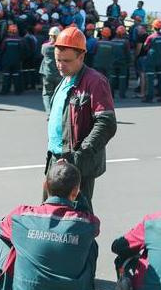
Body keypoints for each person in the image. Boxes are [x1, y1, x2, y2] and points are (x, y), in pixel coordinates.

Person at [0, 162, 99, 290]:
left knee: (0, 240)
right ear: (76, 191)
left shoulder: (21, 216)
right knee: (91, 245)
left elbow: (0, 228)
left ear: (45, 186)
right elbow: (90, 219)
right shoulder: (87, 223)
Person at [46, 27, 117, 213]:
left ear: (82, 57)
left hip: (77, 163)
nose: (61, 65)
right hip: (56, 160)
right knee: (50, 216)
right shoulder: (65, 79)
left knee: (78, 220)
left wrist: (80, 156)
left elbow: (106, 123)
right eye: (58, 60)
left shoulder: (95, 81)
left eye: (66, 61)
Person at [142, 20, 161, 103]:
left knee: (150, 78)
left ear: (154, 27)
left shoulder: (151, 37)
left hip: (151, 58)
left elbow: (145, 47)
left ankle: (150, 97)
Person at [39, 26, 61, 114]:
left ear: (50, 35)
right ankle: (58, 112)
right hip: (59, 75)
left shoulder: (45, 46)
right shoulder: (61, 47)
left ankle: (49, 113)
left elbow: (42, 54)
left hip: (47, 74)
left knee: (47, 94)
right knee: (58, 94)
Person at [0, 24, 24, 95]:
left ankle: (5, 91)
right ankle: (18, 91)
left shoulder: (6, 40)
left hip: (7, 61)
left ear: (9, 31)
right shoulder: (20, 40)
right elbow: (22, 51)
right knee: (16, 76)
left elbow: (2, 50)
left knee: (6, 76)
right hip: (17, 61)